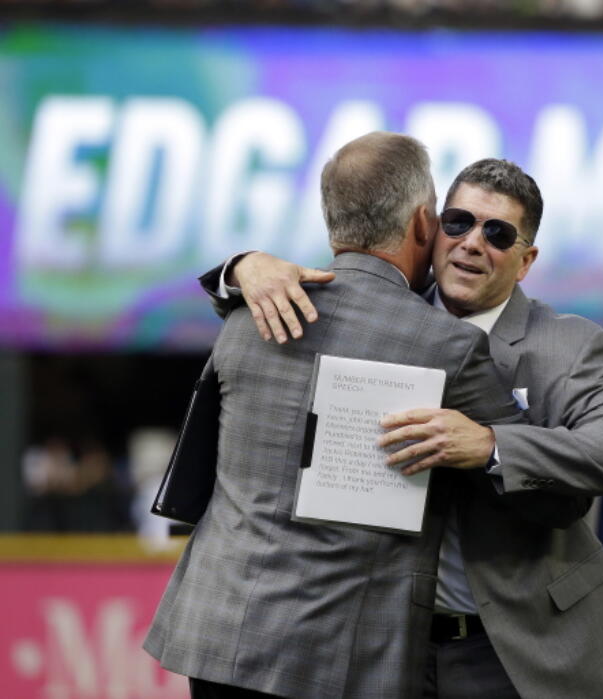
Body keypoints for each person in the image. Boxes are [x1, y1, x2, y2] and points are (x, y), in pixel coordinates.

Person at [205, 158, 603, 698]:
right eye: (458, 222)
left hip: (508, 646)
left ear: (525, 261)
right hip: (381, 646)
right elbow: (272, 308)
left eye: (497, 233)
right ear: (430, 230)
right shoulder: (376, 315)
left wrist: (492, 445)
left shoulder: (566, 344)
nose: (472, 242)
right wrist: (241, 267)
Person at [145, 133, 526, 699]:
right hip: (342, 658)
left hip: (219, 635)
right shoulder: (447, 345)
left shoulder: (246, 318)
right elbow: (532, 479)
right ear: (423, 223)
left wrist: (241, 267)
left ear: (333, 222)